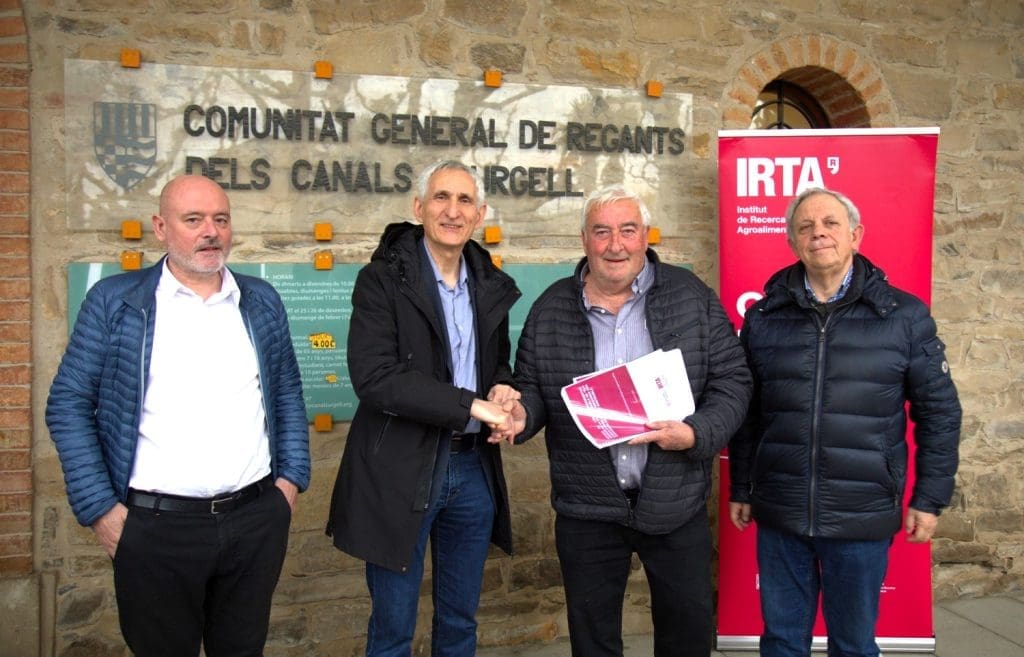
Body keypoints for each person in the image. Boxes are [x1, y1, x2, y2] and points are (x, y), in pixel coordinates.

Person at [45, 174, 310, 657]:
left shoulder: (261, 300)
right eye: (193, 220)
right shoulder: (116, 302)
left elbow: (287, 392)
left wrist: (289, 483)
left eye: (220, 220)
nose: (210, 232)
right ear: (161, 228)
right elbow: (68, 403)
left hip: (254, 522)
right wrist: (101, 510)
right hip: (154, 530)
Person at [499, 184, 752, 657]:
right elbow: (532, 386)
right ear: (584, 240)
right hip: (587, 508)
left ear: (646, 235)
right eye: (602, 232)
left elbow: (734, 382)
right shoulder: (551, 306)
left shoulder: (691, 295)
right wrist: (520, 414)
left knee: (686, 638)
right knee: (593, 642)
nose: (616, 244)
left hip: (674, 502)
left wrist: (697, 434)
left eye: (627, 230)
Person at [728, 187, 962, 657]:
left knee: (854, 645)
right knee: (780, 643)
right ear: (793, 242)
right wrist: (742, 487)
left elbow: (940, 412)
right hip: (781, 512)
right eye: (805, 226)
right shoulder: (765, 317)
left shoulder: (904, 316)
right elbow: (748, 412)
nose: (819, 234)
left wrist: (930, 497)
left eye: (830, 223)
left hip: (860, 514)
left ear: (855, 234)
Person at [326, 160, 520, 657]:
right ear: (418, 208)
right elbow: (375, 378)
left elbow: (497, 365)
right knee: (393, 627)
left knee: (459, 620)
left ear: (478, 214)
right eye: (440, 198)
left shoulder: (489, 282)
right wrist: (471, 405)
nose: (451, 211)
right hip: (401, 469)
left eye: (463, 201)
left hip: (472, 467)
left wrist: (502, 390)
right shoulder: (381, 280)